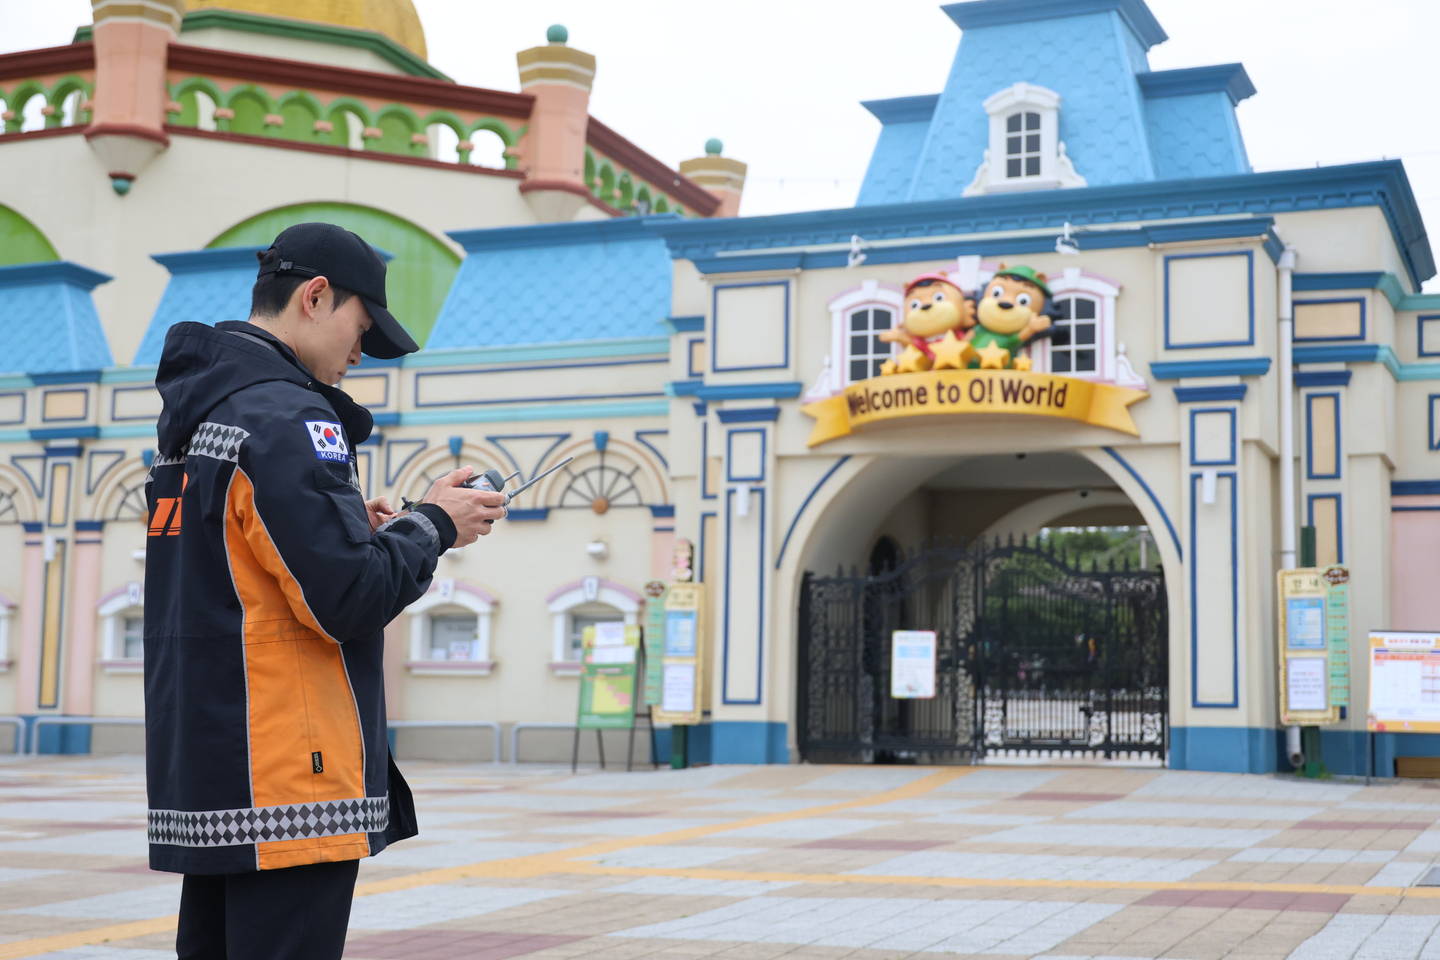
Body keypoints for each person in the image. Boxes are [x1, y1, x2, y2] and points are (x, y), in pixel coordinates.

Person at [143, 222, 504, 958]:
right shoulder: (287, 415)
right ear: (314, 297)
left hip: (212, 767)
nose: (359, 352)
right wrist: (435, 523)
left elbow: (241, 571)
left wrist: (353, 526)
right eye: (360, 327)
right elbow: (349, 597)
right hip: (286, 775)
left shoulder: (203, 413)